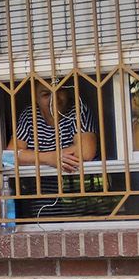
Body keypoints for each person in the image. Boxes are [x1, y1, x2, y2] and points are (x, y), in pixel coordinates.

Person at [10, 82, 95, 218]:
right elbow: (10, 156)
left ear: (68, 92)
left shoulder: (77, 111)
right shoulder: (29, 115)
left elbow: (86, 151)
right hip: (41, 203)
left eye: (59, 90)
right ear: (35, 98)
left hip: (77, 198)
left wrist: (30, 156)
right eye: (45, 94)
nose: (54, 98)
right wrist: (50, 158)